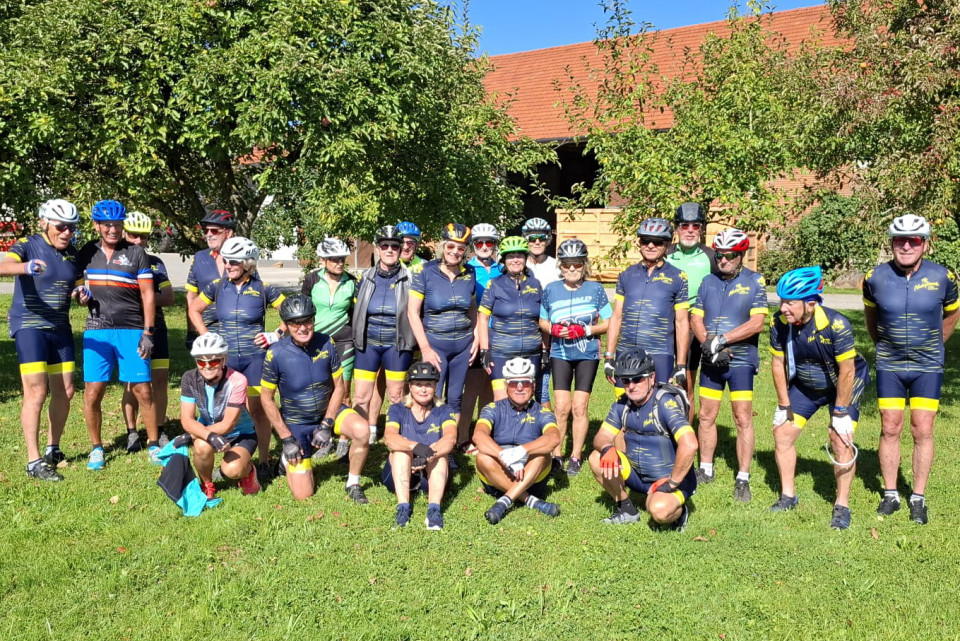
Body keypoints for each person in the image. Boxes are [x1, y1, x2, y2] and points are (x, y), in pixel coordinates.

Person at [863, 214, 959, 524]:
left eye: (913, 240)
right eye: (900, 240)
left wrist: (935, 345)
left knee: (922, 428)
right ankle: (891, 494)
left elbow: (951, 315)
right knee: (890, 427)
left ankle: (918, 497)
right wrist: (882, 346)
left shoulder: (944, 276)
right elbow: (871, 318)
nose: (906, 246)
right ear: (891, 243)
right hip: (890, 364)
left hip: (927, 365)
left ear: (925, 244)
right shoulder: (874, 277)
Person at [768, 266, 869, 530]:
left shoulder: (837, 324)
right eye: (782, 301)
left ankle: (842, 506)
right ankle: (788, 496)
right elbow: (777, 363)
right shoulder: (779, 323)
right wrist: (784, 405)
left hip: (843, 385)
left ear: (810, 303)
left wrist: (841, 412)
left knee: (840, 439)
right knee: (782, 433)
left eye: (790, 303)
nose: (783, 308)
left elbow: (848, 370)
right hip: (807, 386)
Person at [0, 199, 83, 481]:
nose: (67, 232)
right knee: (36, 391)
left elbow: (78, 281)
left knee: (66, 390)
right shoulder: (28, 244)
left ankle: (52, 449)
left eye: (72, 227)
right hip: (30, 326)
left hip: (60, 328)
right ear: (45, 223)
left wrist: (82, 292)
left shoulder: (71, 253)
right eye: (61, 227)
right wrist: (25, 267)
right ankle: (33, 461)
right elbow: (4, 266)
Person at [260, 295, 371, 503]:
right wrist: (286, 439)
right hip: (297, 421)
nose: (303, 328)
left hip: (327, 411)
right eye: (295, 323)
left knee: (362, 430)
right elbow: (266, 399)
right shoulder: (276, 353)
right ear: (287, 325)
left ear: (313, 320)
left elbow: (339, 387)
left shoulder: (326, 342)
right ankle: (286, 459)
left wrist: (327, 423)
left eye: (307, 321)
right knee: (304, 495)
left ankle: (353, 483)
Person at [188, 236, 285, 474]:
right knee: (225, 410)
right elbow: (194, 309)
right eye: (225, 260)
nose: (227, 265)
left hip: (255, 359)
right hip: (227, 360)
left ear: (248, 263)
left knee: (258, 411)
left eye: (233, 261)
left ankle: (263, 461)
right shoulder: (217, 286)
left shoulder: (262, 289)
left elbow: (291, 313)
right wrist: (207, 338)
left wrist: (276, 334)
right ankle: (231, 452)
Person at [77, 199, 159, 470]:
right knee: (93, 392)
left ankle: (154, 445)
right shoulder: (87, 251)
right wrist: (79, 294)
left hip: (132, 329)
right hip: (97, 331)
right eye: (107, 224)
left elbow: (148, 295)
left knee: (143, 390)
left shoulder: (135, 253)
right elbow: (77, 284)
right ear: (97, 225)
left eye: (117, 224)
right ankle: (97, 449)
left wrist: (148, 332)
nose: (112, 229)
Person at [690, 228, 768, 502]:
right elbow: (696, 317)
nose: (723, 260)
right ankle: (705, 469)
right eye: (719, 255)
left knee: (742, 418)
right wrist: (707, 343)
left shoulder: (755, 281)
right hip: (711, 359)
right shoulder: (707, 281)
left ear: (741, 255)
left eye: (730, 256)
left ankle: (743, 477)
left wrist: (721, 340)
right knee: (706, 415)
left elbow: (757, 323)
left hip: (740, 361)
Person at [588, 349, 698, 529]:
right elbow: (602, 436)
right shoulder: (622, 404)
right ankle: (627, 510)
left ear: (652, 377)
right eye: (626, 380)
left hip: (671, 480)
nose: (631, 386)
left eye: (638, 379)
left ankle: (679, 510)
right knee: (596, 458)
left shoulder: (665, 403)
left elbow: (690, 444)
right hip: (637, 476)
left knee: (658, 510)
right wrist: (607, 448)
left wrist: (672, 483)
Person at [539, 239, 611, 476]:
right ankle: (556, 455)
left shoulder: (595, 289)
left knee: (579, 407)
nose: (571, 269)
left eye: (577, 264)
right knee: (561, 407)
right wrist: (552, 329)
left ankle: (576, 456)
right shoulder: (551, 289)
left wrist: (587, 330)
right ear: (560, 266)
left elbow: (610, 322)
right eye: (567, 264)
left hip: (586, 354)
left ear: (584, 264)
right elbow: (542, 320)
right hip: (560, 352)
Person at [473, 357, 562, 525]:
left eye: (525, 383)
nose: (519, 387)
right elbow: (479, 436)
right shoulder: (492, 408)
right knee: (482, 457)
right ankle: (531, 501)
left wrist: (521, 451)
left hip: (531, 475)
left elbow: (553, 438)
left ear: (533, 385)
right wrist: (504, 456)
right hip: (499, 472)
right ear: (506, 386)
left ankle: (504, 501)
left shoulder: (543, 412)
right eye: (514, 383)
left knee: (542, 455)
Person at [604, 217, 689, 387]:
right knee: (624, 401)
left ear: (667, 244)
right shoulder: (626, 274)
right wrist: (609, 356)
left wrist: (680, 365)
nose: (650, 245)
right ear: (639, 242)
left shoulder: (678, 277)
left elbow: (681, 322)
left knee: (658, 401)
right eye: (645, 240)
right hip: (626, 351)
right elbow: (617, 316)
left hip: (660, 353)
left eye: (657, 242)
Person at [352, 225, 416, 442]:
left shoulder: (410, 278)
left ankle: (396, 437)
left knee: (397, 395)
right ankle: (361, 436)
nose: (389, 250)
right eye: (384, 245)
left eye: (394, 246)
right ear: (378, 248)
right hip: (367, 344)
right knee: (361, 396)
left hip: (397, 344)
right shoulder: (365, 277)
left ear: (400, 249)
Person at [408, 223, 477, 418]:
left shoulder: (470, 273)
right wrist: (425, 348)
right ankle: (430, 435)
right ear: (442, 246)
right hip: (435, 344)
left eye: (461, 248)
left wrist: (477, 337)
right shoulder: (425, 271)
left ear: (465, 251)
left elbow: (472, 308)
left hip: (463, 346)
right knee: (433, 396)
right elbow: (412, 312)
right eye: (451, 246)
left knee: (455, 398)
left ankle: (452, 436)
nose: (455, 252)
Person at [179, 333, 260, 498]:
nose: (207, 366)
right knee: (201, 445)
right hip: (209, 430)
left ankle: (249, 471)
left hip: (240, 433)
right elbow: (186, 419)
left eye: (214, 361)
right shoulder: (189, 378)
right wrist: (208, 436)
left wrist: (193, 434)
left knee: (232, 470)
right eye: (201, 362)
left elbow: (228, 424)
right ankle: (207, 485)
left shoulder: (237, 380)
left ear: (224, 360)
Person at [120, 212, 175, 450]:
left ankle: (159, 429)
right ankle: (132, 432)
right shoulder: (116, 261)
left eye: (143, 236)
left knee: (160, 380)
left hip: (157, 328)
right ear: (124, 233)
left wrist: (139, 297)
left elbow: (169, 296)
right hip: (129, 327)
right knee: (132, 382)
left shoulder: (155, 262)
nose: (139, 241)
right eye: (134, 235)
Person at [383, 361, 458, 529]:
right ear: (410, 386)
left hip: (432, 474)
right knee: (400, 451)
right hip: (400, 473)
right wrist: (416, 447)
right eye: (418, 384)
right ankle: (403, 509)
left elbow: (450, 439)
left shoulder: (445, 410)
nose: (423, 390)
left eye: (428, 385)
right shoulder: (397, 409)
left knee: (441, 455)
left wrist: (427, 456)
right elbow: (390, 438)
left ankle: (434, 511)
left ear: (435, 386)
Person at [666, 202, 719, 420]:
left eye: (695, 226)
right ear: (676, 228)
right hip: (665, 324)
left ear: (702, 229)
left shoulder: (711, 256)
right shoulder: (665, 253)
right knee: (660, 381)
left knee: (685, 384)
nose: (690, 230)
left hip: (693, 325)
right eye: (684, 225)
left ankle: (685, 433)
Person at [478, 235, 545, 401]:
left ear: (525, 258)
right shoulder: (494, 284)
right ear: (504, 260)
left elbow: (543, 319)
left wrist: (545, 349)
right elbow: (482, 318)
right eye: (510, 256)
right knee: (501, 401)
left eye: (519, 255)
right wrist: (484, 350)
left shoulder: (535, 284)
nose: (515, 260)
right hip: (501, 352)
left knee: (525, 400)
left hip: (531, 352)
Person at [459, 223, 503, 451]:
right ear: (473, 245)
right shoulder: (466, 269)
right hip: (475, 335)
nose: (485, 247)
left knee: (490, 389)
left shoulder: (503, 269)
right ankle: (462, 437)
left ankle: (482, 435)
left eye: (489, 242)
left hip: (500, 335)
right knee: (472, 390)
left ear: (495, 245)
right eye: (479, 243)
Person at [301, 238, 357, 400]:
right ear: (322, 260)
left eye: (343, 259)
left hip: (344, 341)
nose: (340, 263)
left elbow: (357, 313)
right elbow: (302, 311)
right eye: (335, 259)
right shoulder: (312, 279)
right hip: (316, 340)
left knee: (344, 393)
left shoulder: (352, 281)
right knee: (316, 390)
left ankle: (345, 417)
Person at [522, 217, 558, 409]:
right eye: (532, 237)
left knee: (542, 386)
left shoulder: (556, 266)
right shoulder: (518, 264)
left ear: (548, 240)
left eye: (542, 238)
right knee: (520, 382)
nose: (537, 242)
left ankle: (546, 424)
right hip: (522, 331)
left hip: (547, 332)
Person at [184, 210, 235, 347]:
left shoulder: (242, 259)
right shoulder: (199, 258)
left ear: (229, 233)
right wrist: (192, 331)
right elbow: (191, 296)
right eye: (206, 231)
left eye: (214, 231)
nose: (209, 234)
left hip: (237, 330)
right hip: (207, 330)